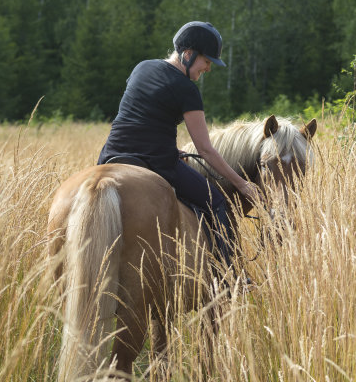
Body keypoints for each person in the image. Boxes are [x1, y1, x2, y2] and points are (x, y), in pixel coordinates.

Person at [97, 21, 257, 270]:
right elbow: (205, 149)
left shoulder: (142, 67)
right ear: (188, 54)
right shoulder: (187, 89)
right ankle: (229, 276)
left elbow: (141, 116)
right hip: (156, 162)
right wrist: (241, 183)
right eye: (207, 61)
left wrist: (173, 149)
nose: (208, 68)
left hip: (111, 155)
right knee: (216, 202)